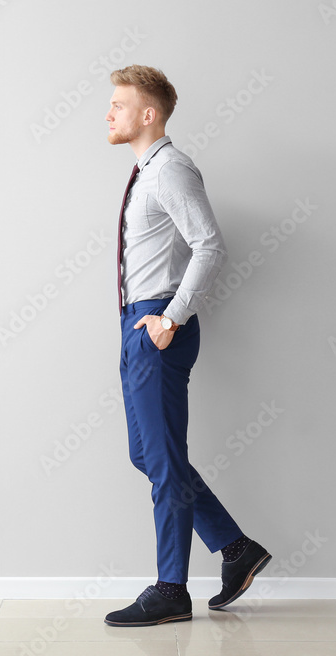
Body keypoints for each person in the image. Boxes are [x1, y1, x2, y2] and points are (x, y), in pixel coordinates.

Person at [103, 64, 271, 627]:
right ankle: (235, 548)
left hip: (158, 323)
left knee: (164, 461)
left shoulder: (170, 169)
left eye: (119, 105)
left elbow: (210, 246)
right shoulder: (146, 172)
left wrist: (169, 319)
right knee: (149, 456)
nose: (109, 113)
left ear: (148, 114)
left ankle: (171, 588)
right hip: (138, 323)